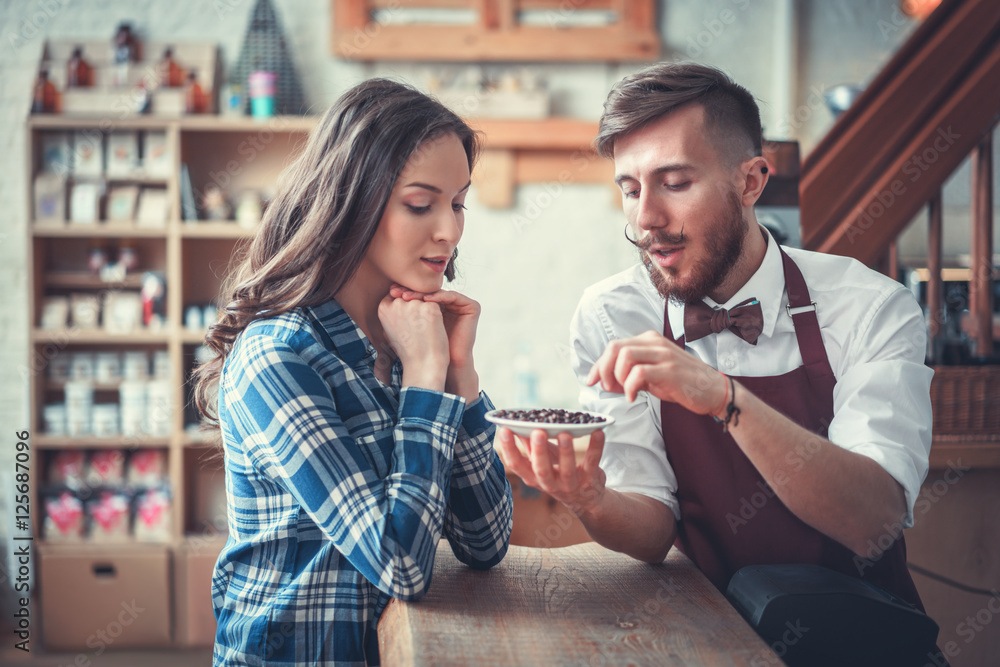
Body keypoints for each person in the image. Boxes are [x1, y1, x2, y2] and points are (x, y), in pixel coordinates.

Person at [497, 63, 933, 612]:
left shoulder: (871, 307)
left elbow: (873, 522)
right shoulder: (613, 313)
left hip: (866, 636)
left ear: (750, 182)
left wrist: (723, 397)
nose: (645, 218)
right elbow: (653, 529)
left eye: (675, 183)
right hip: (705, 637)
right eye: (630, 190)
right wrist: (591, 500)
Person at [194, 78, 513, 666]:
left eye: (459, 202)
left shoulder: (412, 340)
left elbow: (487, 542)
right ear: (355, 201)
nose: (450, 229)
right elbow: (402, 564)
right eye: (421, 203)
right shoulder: (279, 356)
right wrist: (424, 378)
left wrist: (458, 375)